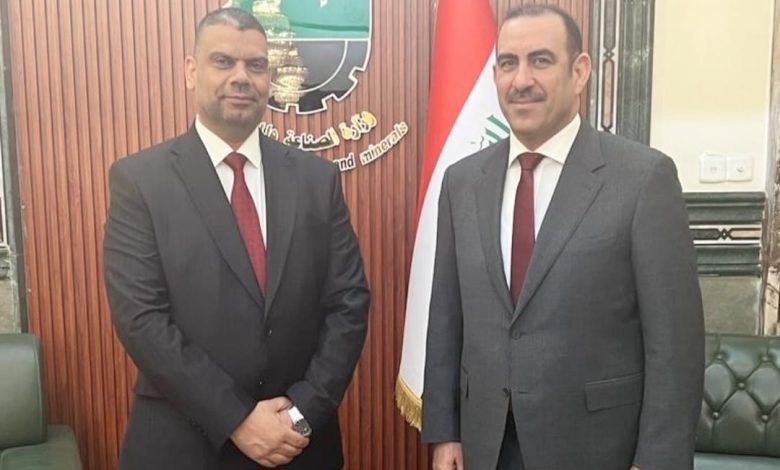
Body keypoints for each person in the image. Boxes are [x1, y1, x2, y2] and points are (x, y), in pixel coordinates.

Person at [421, 5, 704, 470]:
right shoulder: (462, 182)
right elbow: (446, 317)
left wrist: (657, 461)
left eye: (541, 60)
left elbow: (675, 344)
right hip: (485, 445)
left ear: (579, 72)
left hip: (596, 448)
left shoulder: (642, 178)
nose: (521, 80)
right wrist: (445, 432)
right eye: (508, 63)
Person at [103, 7, 370, 470]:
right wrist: (238, 420)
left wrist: (302, 413)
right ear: (192, 71)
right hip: (182, 447)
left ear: (270, 78)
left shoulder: (317, 180)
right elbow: (141, 319)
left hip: (297, 445)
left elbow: (349, 303)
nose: (241, 77)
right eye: (223, 61)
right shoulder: (140, 181)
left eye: (256, 65)